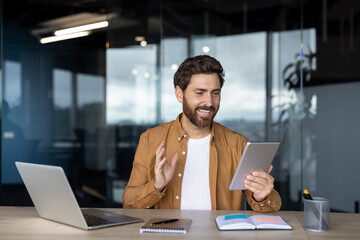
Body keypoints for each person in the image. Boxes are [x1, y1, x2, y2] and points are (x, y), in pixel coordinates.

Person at [122, 55, 281, 212]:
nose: (209, 102)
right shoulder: (151, 139)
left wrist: (261, 196)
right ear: (179, 94)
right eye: (200, 93)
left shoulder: (237, 144)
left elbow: (268, 206)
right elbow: (128, 204)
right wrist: (156, 186)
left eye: (215, 93)